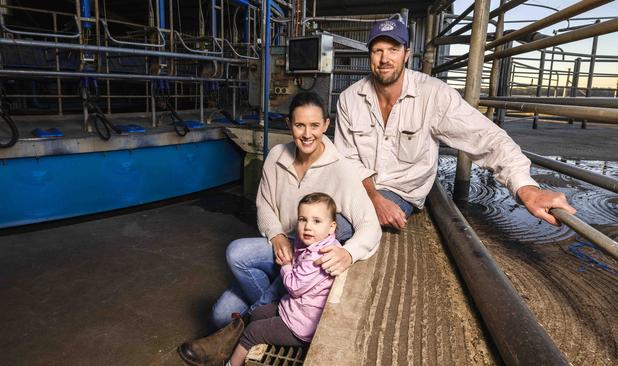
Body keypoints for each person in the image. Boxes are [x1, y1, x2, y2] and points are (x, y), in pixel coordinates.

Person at [178, 91, 382, 365]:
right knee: (230, 275)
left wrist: (349, 253)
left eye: (314, 126)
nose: (307, 134)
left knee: (225, 317)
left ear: (326, 125)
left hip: (306, 264)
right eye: (299, 125)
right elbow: (264, 205)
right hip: (282, 249)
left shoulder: (341, 170)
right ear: (289, 125)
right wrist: (276, 237)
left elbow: (371, 226)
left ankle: (260, 321)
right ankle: (279, 307)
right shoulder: (277, 156)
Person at [334, 16, 576, 230]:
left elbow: (487, 138)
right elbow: (348, 159)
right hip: (360, 186)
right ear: (369, 55)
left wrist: (526, 189)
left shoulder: (434, 95)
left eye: (393, 49)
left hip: (400, 191)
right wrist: (374, 198)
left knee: (334, 228)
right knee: (306, 213)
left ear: (406, 54)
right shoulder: (350, 98)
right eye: (377, 50)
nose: (385, 58)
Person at [226, 193, 339, 366]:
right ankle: (254, 352)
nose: (307, 226)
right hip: (295, 308)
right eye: (302, 219)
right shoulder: (315, 242)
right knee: (258, 313)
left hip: (302, 325)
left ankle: (232, 363)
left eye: (316, 221)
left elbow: (294, 287)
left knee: (253, 331)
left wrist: (286, 265)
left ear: (332, 227)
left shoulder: (320, 257)